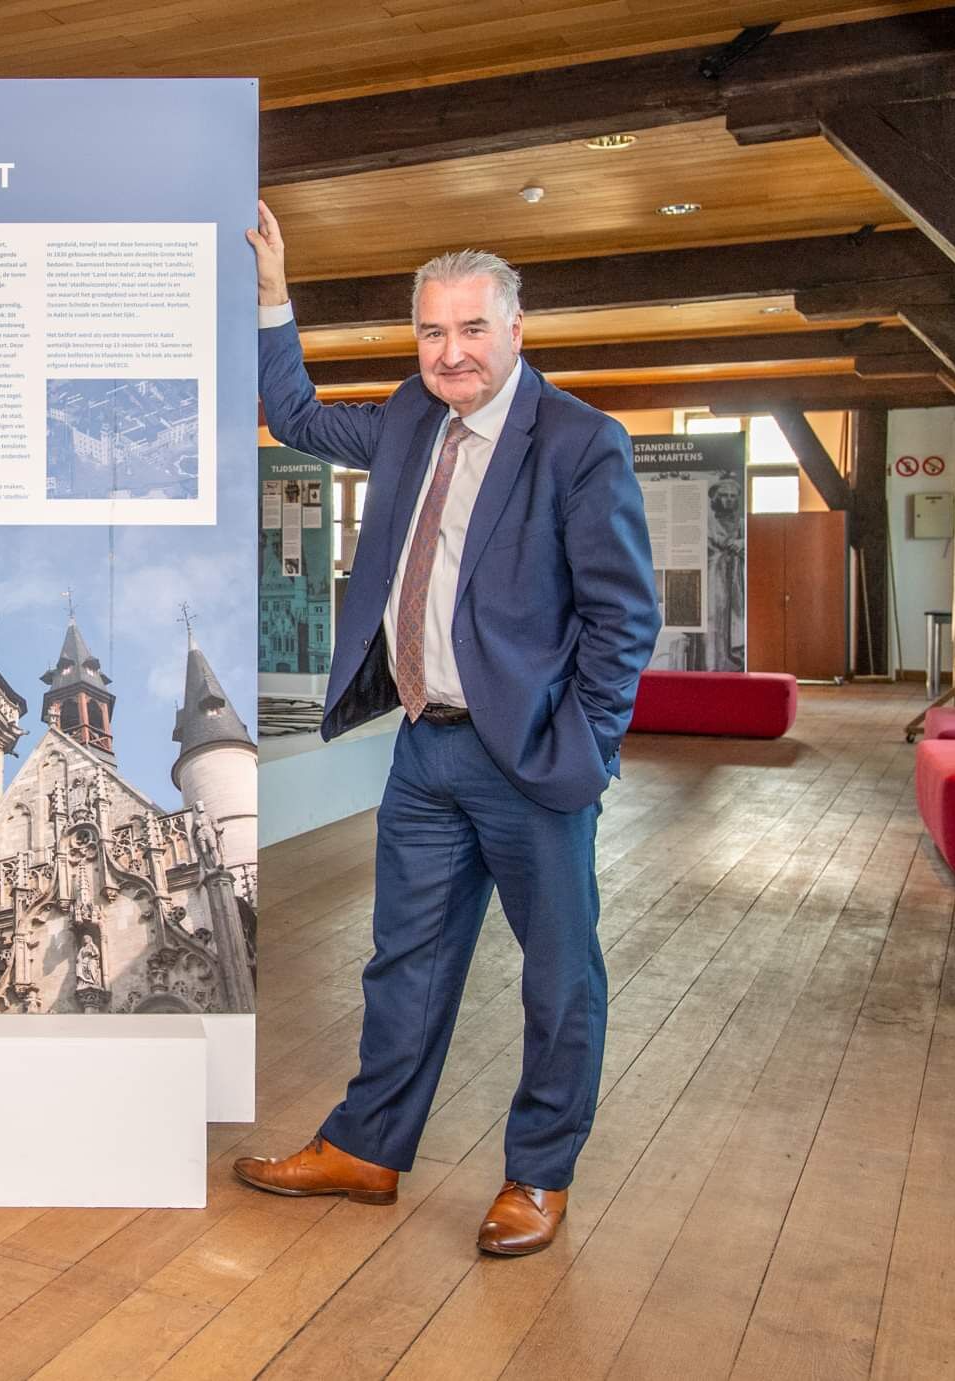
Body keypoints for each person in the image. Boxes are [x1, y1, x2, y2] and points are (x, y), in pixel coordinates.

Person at [232, 203, 658, 1257]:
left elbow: (622, 616)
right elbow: (294, 413)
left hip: (531, 756)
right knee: (404, 960)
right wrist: (273, 294)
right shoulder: (410, 417)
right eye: (431, 330)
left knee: (557, 975)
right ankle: (366, 1147)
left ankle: (538, 1173)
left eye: (471, 328)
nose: (450, 351)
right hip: (424, 745)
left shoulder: (578, 441)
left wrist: (584, 745)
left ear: (514, 329)